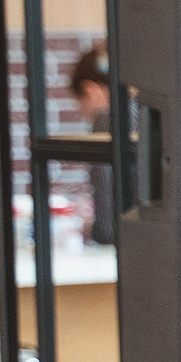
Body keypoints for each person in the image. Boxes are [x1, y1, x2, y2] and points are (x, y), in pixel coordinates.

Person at [68, 47, 113, 246]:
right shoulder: (144, 114)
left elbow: (107, 227)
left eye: (80, 103)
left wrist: (92, 229)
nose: (82, 112)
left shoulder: (107, 123)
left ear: (89, 89)